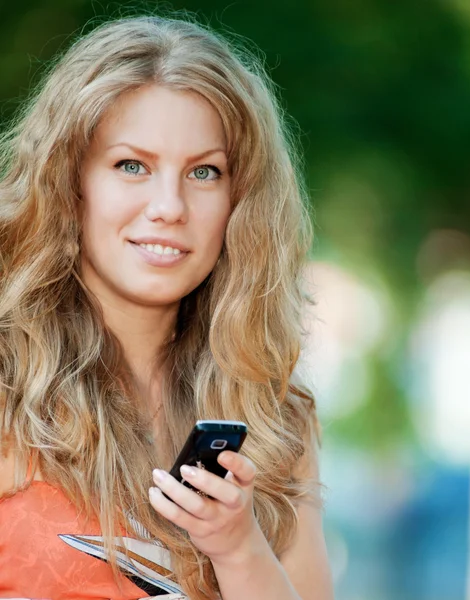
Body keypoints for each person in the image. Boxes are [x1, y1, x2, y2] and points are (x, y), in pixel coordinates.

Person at [0, 14, 333, 600]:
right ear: (68, 180)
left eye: (204, 172)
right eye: (133, 165)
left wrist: (238, 547)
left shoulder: (277, 414)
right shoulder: (9, 384)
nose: (169, 206)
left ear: (240, 201)